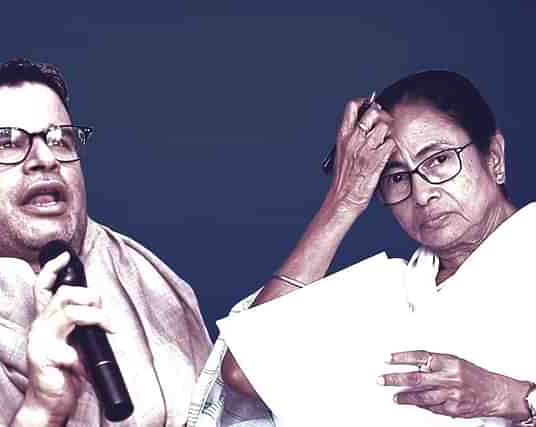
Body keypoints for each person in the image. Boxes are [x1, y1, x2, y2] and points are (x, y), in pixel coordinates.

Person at [188, 70, 536, 426]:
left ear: (494, 157)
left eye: (439, 160)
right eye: (397, 177)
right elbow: (246, 370)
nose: (422, 193)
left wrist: (510, 397)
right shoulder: (394, 291)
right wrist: (344, 200)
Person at [0, 58, 212, 426]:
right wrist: (42, 409)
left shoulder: (154, 289)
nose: (45, 159)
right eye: (7, 144)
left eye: (59, 139)